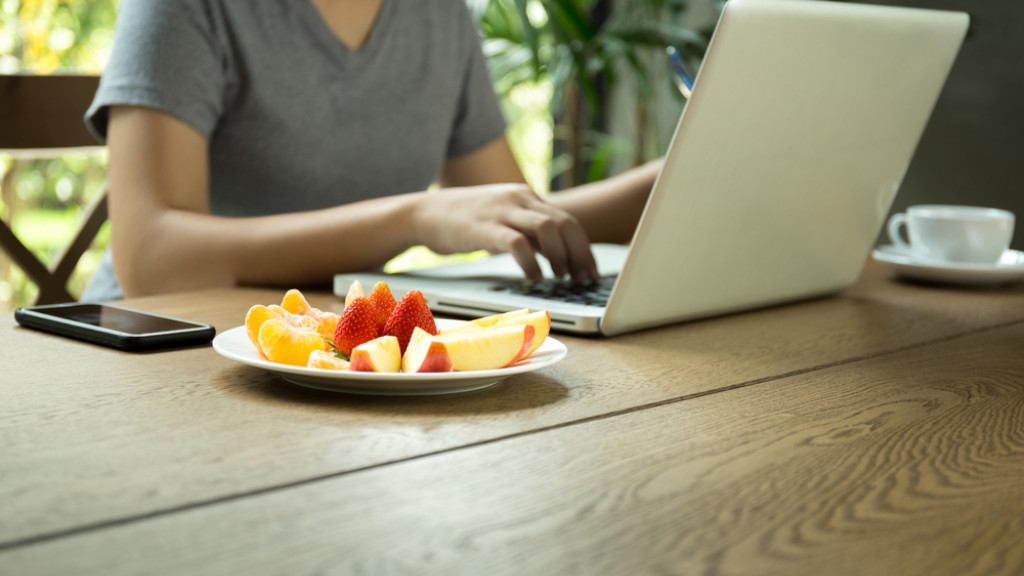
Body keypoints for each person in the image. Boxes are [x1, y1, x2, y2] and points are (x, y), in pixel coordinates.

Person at [82, 0, 660, 301]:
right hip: (160, 349)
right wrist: (415, 217)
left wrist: (675, 178)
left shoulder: (438, 14)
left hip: (336, 353)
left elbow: (517, 221)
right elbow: (149, 261)